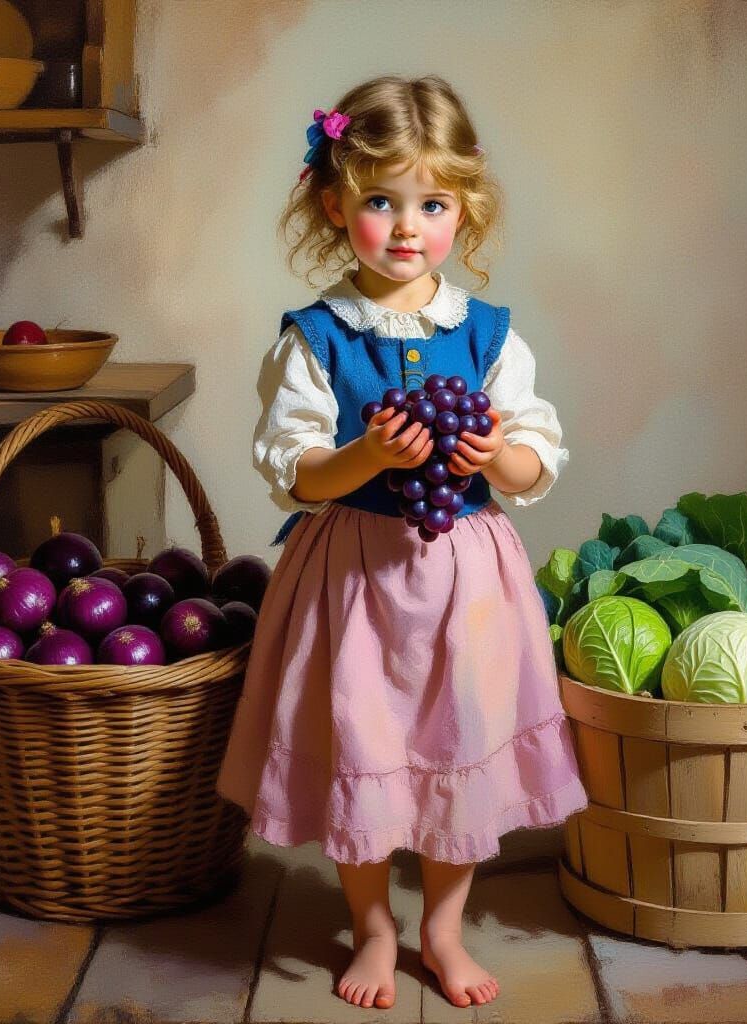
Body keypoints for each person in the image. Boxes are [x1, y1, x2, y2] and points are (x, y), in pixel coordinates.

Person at [215, 74, 588, 1012]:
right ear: (336, 206)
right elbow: (296, 468)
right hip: (355, 580)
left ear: (465, 210)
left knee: (459, 741)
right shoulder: (314, 338)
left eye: (432, 203)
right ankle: (375, 925)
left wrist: (497, 452)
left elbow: (537, 455)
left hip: (465, 581)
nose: (408, 226)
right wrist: (364, 453)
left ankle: (444, 927)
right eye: (382, 201)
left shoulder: (492, 336)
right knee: (363, 747)